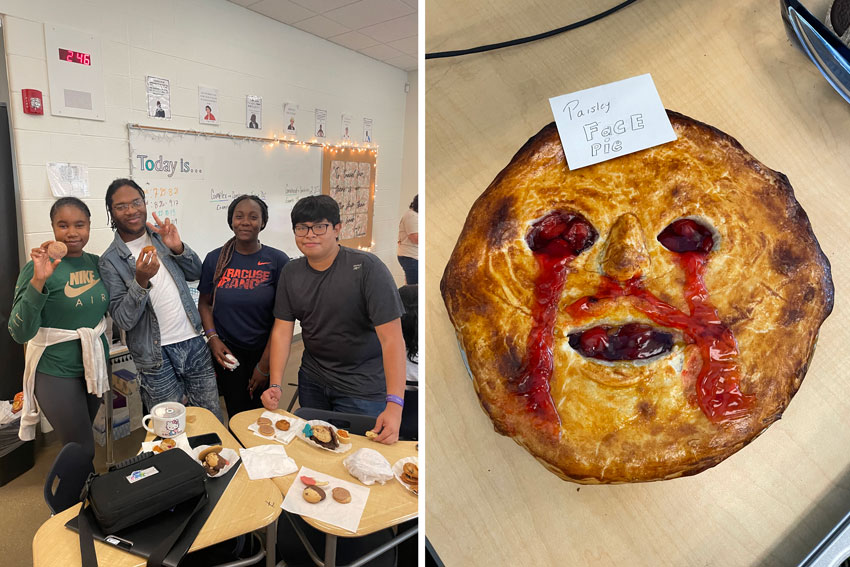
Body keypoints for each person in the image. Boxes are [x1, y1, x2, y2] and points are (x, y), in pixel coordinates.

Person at [260, 195, 406, 443]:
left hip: (362, 387)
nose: (310, 234)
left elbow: (392, 339)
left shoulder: (367, 268)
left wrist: (395, 404)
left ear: (337, 229)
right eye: (301, 228)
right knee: (315, 445)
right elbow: (283, 331)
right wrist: (276, 384)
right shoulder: (291, 273)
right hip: (313, 379)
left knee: (358, 455)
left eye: (320, 226)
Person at [99, 179, 223, 421]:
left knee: (210, 420)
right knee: (170, 428)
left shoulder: (160, 238)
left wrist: (177, 248)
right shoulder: (110, 260)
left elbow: (196, 274)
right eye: (121, 206)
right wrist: (141, 281)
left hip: (194, 342)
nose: (132, 210)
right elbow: (124, 320)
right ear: (111, 212)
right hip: (154, 355)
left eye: (136, 202)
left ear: (144, 203)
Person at [9, 197, 110, 462]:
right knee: (81, 448)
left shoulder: (97, 263)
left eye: (80, 224)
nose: (72, 233)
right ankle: (76, 500)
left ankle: (83, 492)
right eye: (63, 225)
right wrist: (38, 282)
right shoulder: (37, 268)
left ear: (89, 226)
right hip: (55, 371)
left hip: (94, 364)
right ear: (53, 227)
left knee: (82, 438)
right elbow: (19, 333)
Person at [198, 195, 288, 417]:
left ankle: (260, 452)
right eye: (239, 216)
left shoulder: (277, 261)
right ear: (231, 222)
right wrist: (213, 338)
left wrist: (264, 365)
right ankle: (240, 451)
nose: (245, 222)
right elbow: (204, 304)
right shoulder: (215, 259)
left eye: (253, 217)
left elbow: (283, 318)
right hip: (227, 350)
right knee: (236, 410)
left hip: (265, 348)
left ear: (263, 223)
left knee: (263, 412)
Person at [397, 195, 418, 285]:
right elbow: (415, 238)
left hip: (412, 257)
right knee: (413, 289)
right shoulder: (411, 216)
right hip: (410, 257)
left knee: (413, 287)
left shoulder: (414, 215)